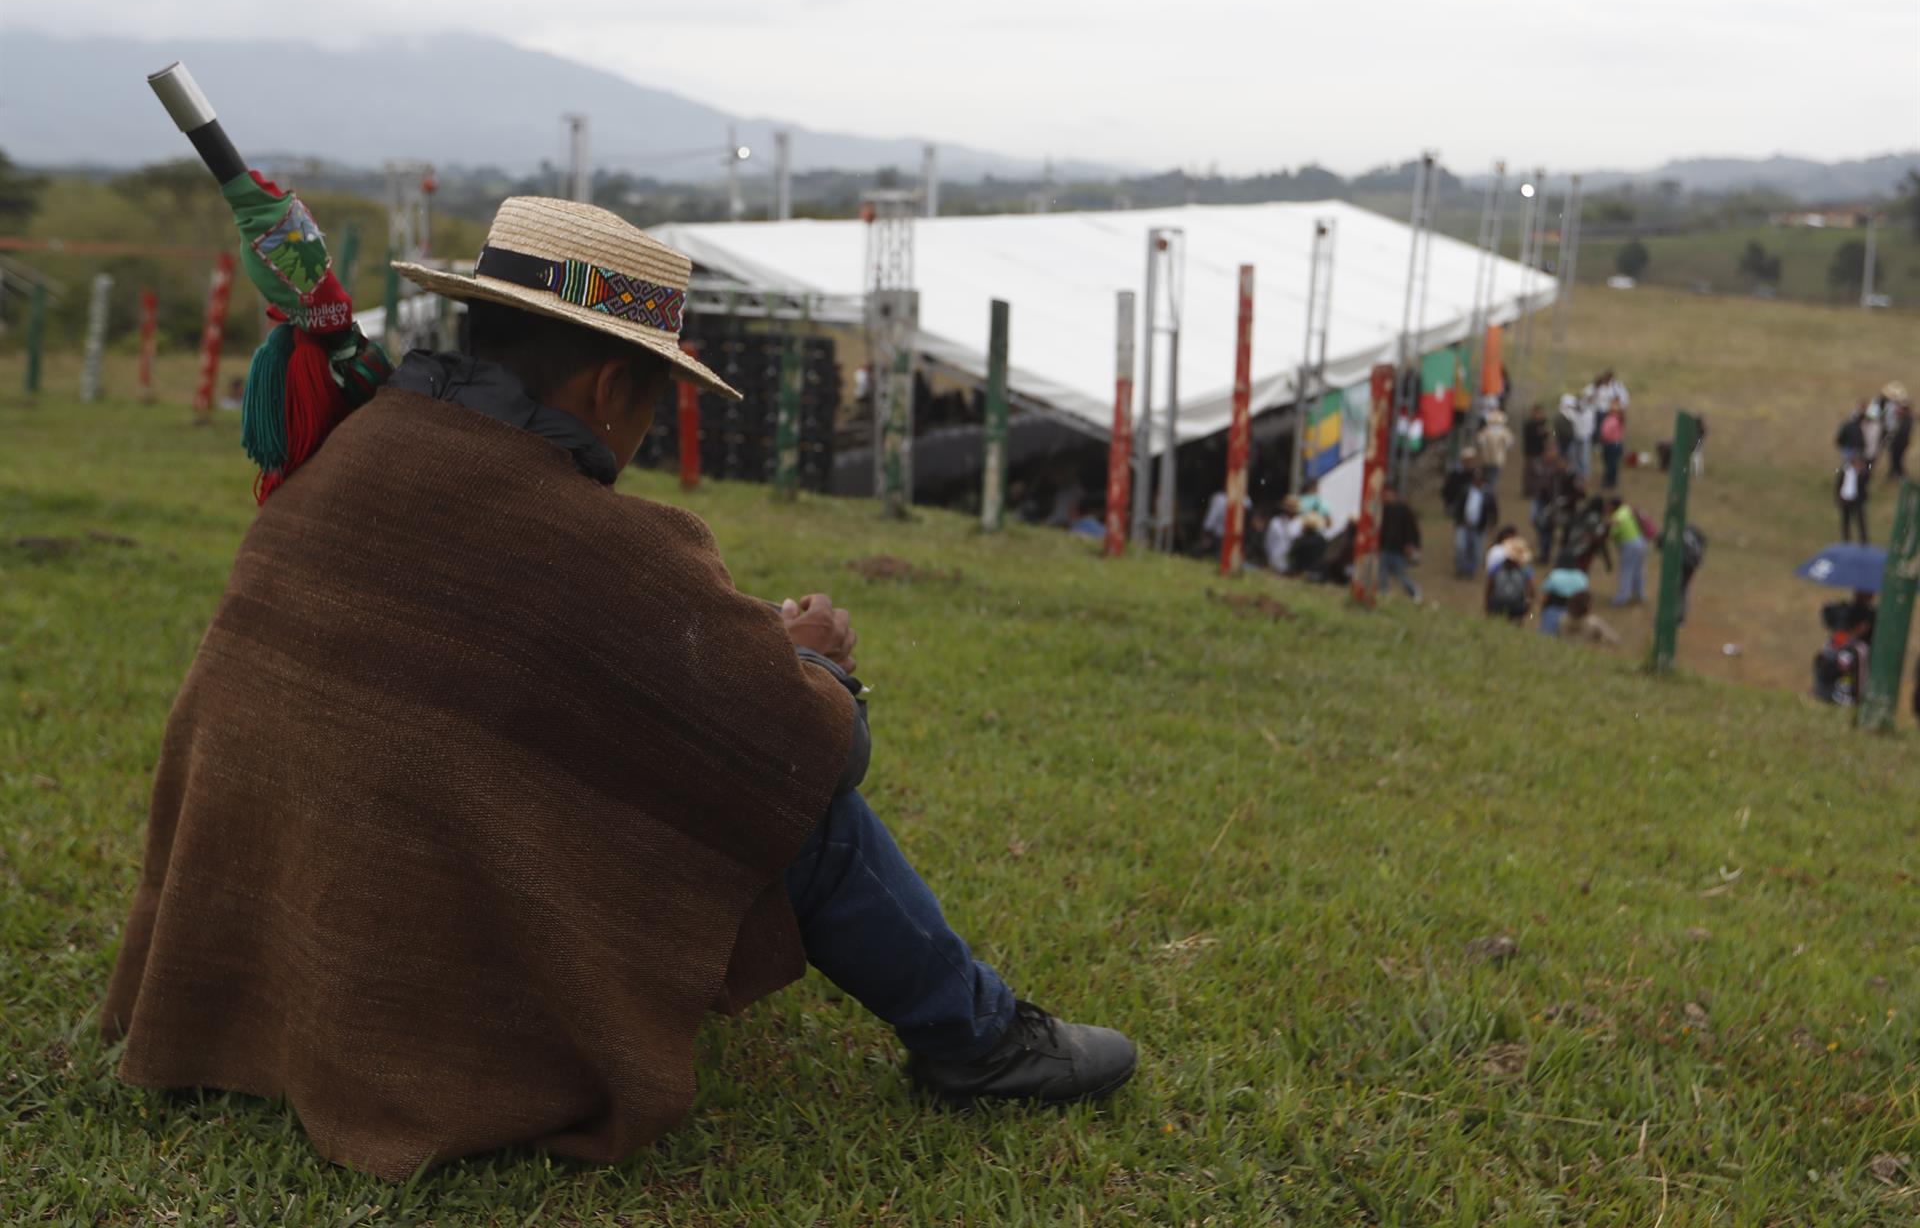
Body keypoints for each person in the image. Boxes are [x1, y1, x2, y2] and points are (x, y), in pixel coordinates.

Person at [100, 199, 1135, 1184]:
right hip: (422, 1006)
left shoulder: (350, 454)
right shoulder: (603, 545)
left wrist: (719, 658)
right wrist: (813, 663)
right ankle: (981, 1039)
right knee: (796, 801)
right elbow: (807, 753)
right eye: (654, 392)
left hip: (260, 975)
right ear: (606, 389)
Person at [1448, 462, 1498, 578]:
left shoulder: (1488, 494)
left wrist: (1491, 525)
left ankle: (1471, 571)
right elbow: (1459, 506)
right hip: (1464, 525)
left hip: (1479, 527)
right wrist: (1459, 521)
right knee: (1461, 547)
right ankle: (1461, 569)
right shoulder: (1466, 490)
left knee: (1476, 551)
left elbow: (1493, 511)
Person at [1379, 483, 1422, 601]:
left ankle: (1414, 592)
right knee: (1381, 574)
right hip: (1385, 548)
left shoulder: (1404, 509)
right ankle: (1383, 594)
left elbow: (1412, 529)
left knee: (1401, 576)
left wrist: (1411, 545)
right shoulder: (1383, 509)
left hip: (1399, 550)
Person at [1609, 495, 1649, 606]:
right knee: (1639, 570)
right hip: (1641, 542)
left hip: (1629, 545)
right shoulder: (1627, 510)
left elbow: (1613, 533)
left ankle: (1622, 598)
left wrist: (1609, 529)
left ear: (1612, 506)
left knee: (1626, 571)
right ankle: (1640, 595)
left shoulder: (1617, 516)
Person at [1537, 550, 1590, 636]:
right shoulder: (1581, 576)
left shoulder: (1554, 575)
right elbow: (1585, 597)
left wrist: (1543, 610)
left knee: (1547, 636)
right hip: (1574, 614)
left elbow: (1545, 596)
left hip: (1553, 610)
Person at [1485, 537, 1534, 622]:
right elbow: (1531, 589)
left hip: (1498, 603)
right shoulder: (1526, 570)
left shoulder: (1497, 567)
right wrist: (1528, 603)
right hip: (1516, 606)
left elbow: (1489, 585)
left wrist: (1487, 602)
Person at [1476, 409, 1514, 491]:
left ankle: (1490, 489)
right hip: (1486, 457)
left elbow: (1509, 441)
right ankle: (1486, 488)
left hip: (1498, 458)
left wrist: (1507, 443)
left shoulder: (1504, 431)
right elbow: (1480, 440)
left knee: (1494, 474)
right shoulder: (1486, 430)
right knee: (1486, 474)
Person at [1837, 452, 1871, 544]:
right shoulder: (1845, 471)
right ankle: (1846, 540)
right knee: (1845, 521)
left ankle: (1864, 540)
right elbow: (1839, 484)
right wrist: (1838, 497)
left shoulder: (1862, 473)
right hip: (1845, 498)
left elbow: (1866, 479)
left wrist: (1861, 471)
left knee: (1861, 521)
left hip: (1857, 500)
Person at [1266, 496, 1302, 575]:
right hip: (1275, 558)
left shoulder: (1301, 523)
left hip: (1292, 563)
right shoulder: (1276, 521)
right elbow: (1268, 540)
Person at [1521, 403, 1551, 496]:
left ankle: (1536, 490)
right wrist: (1542, 433)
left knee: (1538, 472)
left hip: (1540, 450)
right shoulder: (1529, 424)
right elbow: (1531, 436)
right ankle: (1528, 490)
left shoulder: (1543, 422)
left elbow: (1546, 435)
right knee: (1530, 472)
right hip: (1531, 451)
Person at [1885, 386, 1912, 479]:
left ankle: (1897, 474)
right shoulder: (1904, 418)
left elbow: (1901, 433)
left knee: (1896, 459)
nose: (1898, 410)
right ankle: (1895, 473)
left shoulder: (1906, 420)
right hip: (1898, 443)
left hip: (1899, 444)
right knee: (1896, 459)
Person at [1598, 401, 1626, 489]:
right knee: (1612, 464)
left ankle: (1609, 481)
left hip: (1610, 444)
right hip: (1614, 444)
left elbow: (1606, 433)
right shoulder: (1617, 419)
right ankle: (1611, 480)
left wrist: (1602, 437)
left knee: (1610, 464)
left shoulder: (1612, 420)